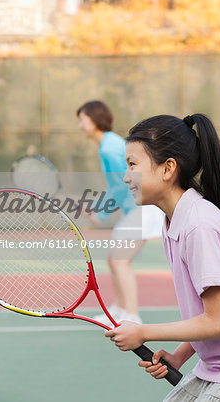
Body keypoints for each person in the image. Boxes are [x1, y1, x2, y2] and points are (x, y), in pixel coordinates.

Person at [105, 113, 220, 401]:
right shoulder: (175, 220)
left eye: (132, 164)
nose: (125, 176)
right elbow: (211, 314)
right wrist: (180, 355)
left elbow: (219, 322)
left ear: (167, 168)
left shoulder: (198, 225)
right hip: (216, 367)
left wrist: (143, 332)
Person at [77, 100, 163, 326]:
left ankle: (131, 315)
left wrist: (99, 213)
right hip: (135, 209)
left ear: (95, 120)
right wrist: (95, 206)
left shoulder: (109, 147)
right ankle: (119, 309)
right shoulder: (109, 144)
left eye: (83, 119)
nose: (80, 125)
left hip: (142, 209)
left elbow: (125, 182)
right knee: (114, 259)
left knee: (119, 261)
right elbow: (116, 184)